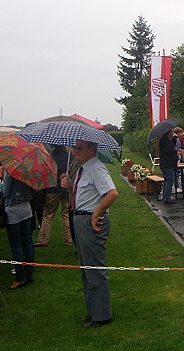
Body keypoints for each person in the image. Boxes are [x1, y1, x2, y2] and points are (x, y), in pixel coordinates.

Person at [61, 140, 118, 328]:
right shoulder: (83, 168)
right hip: (80, 219)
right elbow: (83, 194)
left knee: (94, 269)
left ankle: (101, 316)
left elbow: (112, 193)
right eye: (74, 147)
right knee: (86, 269)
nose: (74, 151)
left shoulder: (96, 168)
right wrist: (69, 187)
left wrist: (96, 213)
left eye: (78, 148)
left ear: (92, 150)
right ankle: (93, 311)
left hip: (90, 222)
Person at [0, 172, 36, 289]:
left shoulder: (10, 169)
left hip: (13, 208)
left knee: (16, 246)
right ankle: (29, 273)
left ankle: (20, 277)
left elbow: (5, 192)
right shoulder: (28, 168)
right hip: (26, 207)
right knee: (27, 243)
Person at [34, 145, 73, 246]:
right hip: (66, 189)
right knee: (66, 214)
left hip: (52, 188)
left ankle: (43, 239)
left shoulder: (51, 159)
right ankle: (69, 239)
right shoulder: (70, 158)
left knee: (48, 214)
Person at [160, 129, 179, 204]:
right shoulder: (164, 140)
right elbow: (168, 151)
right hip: (167, 164)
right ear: (169, 132)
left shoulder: (166, 140)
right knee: (169, 181)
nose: (172, 133)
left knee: (167, 181)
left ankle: (166, 196)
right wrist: (175, 150)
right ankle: (167, 198)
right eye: (172, 132)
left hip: (166, 164)